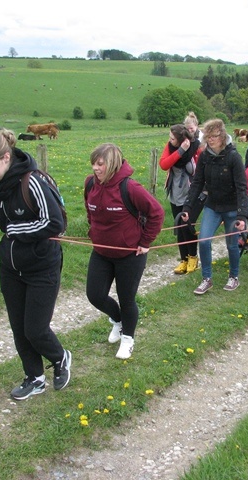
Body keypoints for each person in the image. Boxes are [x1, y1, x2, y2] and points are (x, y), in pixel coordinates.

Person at [0, 129, 71, 401]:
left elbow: (56, 224)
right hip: (10, 268)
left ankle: (61, 357)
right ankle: (35, 378)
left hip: (43, 266)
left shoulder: (34, 181)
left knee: (36, 329)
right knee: (19, 330)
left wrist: (16, 231)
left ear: (6, 157)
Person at [84, 143, 165, 359]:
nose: (95, 168)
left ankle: (128, 338)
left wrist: (146, 241)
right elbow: (89, 208)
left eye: (100, 164)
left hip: (130, 254)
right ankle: (118, 321)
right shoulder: (90, 183)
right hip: (101, 251)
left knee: (126, 298)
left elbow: (157, 213)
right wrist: (93, 228)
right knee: (95, 295)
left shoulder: (130, 188)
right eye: (93, 163)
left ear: (111, 165)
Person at [181, 118, 248, 295]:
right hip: (212, 205)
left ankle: (234, 276)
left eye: (214, 136)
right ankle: (206, 279)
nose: (211, 139)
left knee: (232, 244)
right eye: (208, 136)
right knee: (203, 241)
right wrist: (188, 207)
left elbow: (242, 187)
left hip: (232, 207)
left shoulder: (234, 157)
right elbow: (197, 183)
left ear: (223, 135)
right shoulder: (204, 156)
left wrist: (242, 215)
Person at [159, 124, 201, 274]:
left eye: (172, 138)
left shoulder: (197, 148)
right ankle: (183, 259)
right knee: (178, 226)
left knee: (187, 225)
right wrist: (180, 150)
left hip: (190, 192)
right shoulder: (171, 147)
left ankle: (193, 258)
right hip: (175, 191)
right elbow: (164, 164)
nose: (169, 140)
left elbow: (200, 169)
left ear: (181, 139)